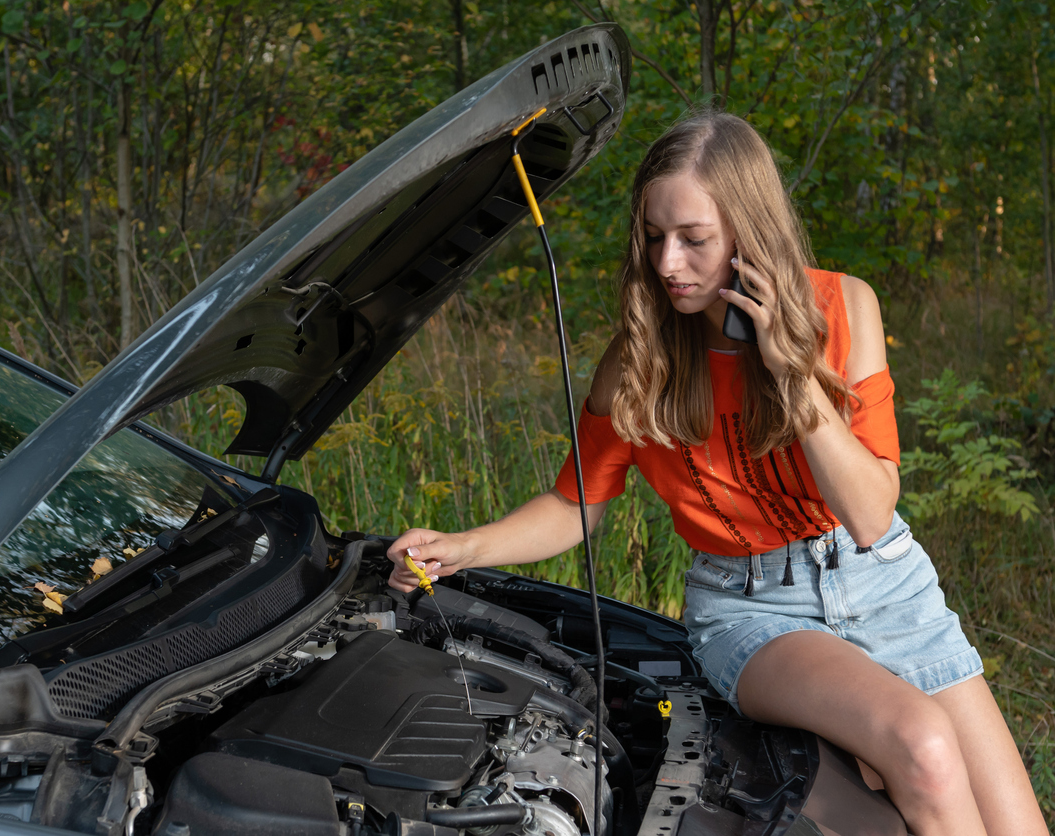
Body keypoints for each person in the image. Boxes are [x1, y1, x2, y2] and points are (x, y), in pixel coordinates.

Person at [385, 112, 1046, 834]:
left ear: (748, 234)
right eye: (653, 237)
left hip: (885, 583)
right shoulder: (640, 361)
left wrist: (791, 374)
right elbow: (574, 504)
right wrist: (462, 547)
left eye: (694, 240)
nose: (669, 263)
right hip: (751, 607)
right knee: (924, 748)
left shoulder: (845, 308)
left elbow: (870, 515)